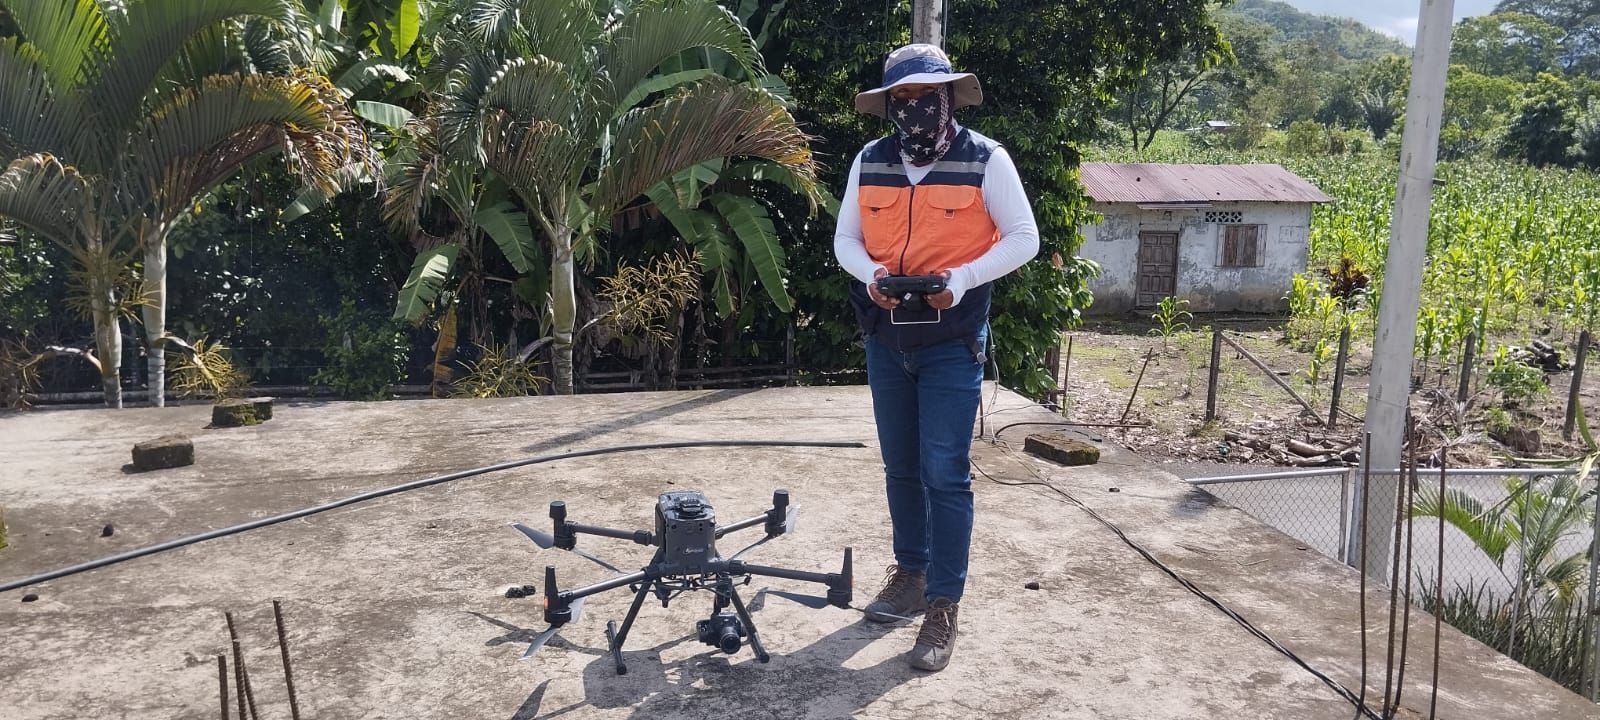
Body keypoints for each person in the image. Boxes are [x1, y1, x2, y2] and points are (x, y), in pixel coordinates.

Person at [833, 43, 1039, 671]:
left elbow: (1025, 238)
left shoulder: (986, 160)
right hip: (886, 339)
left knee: (944, 472)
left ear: (949, 96)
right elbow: (845, 238)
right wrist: (870, 273)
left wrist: (965, 275)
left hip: (952, 342)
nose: (914, 108)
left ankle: (944, 605)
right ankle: (911, 574)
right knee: (900, 465)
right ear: (889, 105)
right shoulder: (869, 162)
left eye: (926, 96)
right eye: (902, 98)